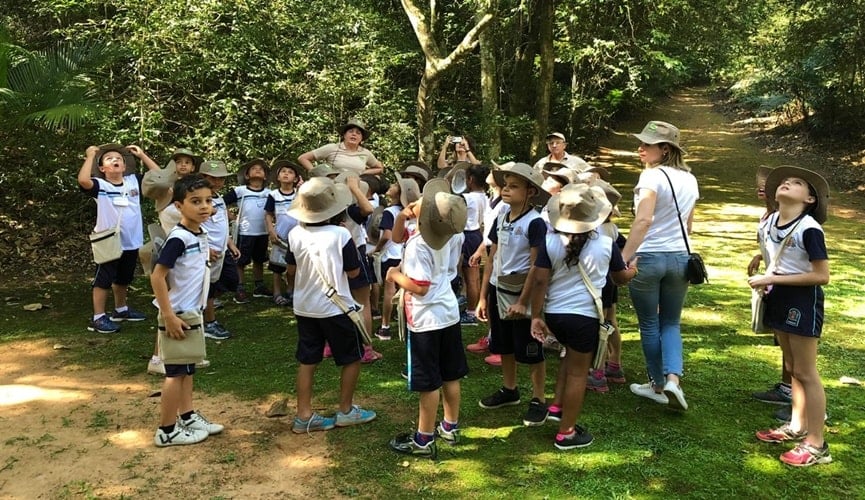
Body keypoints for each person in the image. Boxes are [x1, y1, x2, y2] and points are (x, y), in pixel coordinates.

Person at [529, 183, 636, 450]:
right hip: (584, 317)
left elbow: (540, 281)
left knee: (568, 359)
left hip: (555, 314)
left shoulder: (550, 241)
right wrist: (634, 270)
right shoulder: (605, 244)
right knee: (579, 373)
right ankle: (566, 432)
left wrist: (536, 316)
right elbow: (620, 278)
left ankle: (556, 406)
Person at [752, 166, 831, 467]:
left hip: (801, 300)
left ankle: (817, 443)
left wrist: (772, 280)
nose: (786, 183)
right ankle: (797, 426)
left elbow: (821, 275)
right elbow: (775, 252)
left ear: (809, 198)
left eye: (797, 183)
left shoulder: (809, 228)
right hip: (778, 297)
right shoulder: (770, 221)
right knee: (792, 367)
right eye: (784, 181)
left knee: (807, 372)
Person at [285, 177, 377, 433]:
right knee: (351, 357)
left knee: (307, 360)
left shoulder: (294, 233)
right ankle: (345, 410)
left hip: (304, 307)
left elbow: (290, 269)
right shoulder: (340, 234)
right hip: (336, 308)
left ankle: (303, 415)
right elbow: (353, 272)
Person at [387, 179, 469, 458]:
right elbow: (398, 237)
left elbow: (419, 287)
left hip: (425, 318)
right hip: (447, 311)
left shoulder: (420, 245)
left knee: (429, 381)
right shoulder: (446, 234)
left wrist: (394, 276)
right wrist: (403, 215)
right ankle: (450, 426)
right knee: (450, 374)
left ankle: (423, 439)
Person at [620, 121, 697, 411]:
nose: (640, 148)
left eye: (647, 144)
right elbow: (689, 224)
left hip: (648, 257)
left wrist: (624, 256)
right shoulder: (690, 179)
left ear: (665, 149)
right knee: (671, 322)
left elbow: (643, 220)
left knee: (650, 323)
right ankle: (674, 380)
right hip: (680, 257)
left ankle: (656, 385)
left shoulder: (651, 177)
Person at [151, 174, 224, 447]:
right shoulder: (178, 238)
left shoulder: (199, 233)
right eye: (195, 201)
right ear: (179, 206)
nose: (204, 206)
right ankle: (167, 430)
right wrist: (169, 315)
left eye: (208, 200)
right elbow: (158, 277)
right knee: (175, 373)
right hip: (178, 314)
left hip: (191, 311)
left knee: (188, 368)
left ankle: (188, 415)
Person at [475, 162, 550, 426]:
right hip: (498, 290)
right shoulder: (501, 217)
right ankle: (510, 389)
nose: (506, 190)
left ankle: (539, 399)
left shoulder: (535, 223)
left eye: (514, 186)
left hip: (520, 294)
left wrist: (523, 302)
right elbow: (492, 257)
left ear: (530, 192)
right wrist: (484, 296)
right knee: (503, 344)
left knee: (531, 347)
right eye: (505, 185)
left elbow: (535, 266)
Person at [78, 143, 159, 333]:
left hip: (132, 240)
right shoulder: (101, 185)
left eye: (119, 159)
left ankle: (120, 309)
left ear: (124, 166)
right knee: (103, 278)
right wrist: (90, 155)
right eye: (109, 159)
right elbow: (83, 181)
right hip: (109, 241)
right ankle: (98, 317)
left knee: (124, 277)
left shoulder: (133, 182)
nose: (114, 160)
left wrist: (142, 155)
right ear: (102, 168)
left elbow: (159, 177)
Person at [748, 166, 794, 407]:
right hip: (772, 282)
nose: (761, 187)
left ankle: (790, 390)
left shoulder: (788, 217)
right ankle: (787, 386)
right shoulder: (766, 216)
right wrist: (759, 256)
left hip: (784, 284)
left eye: (767, 184)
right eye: (759, 183)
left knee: (789, 340)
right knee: (780, 336)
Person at [370, 175, 421, 341]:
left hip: (391, 255)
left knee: (389, 292)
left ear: (399, 192)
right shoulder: (413, 212)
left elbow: (386, 235)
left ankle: (385, 327)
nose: (391, 185)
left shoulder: (389, 212)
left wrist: (376, 249)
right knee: (405, 291)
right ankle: (405, 321)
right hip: (406, 255)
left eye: (395, 184)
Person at [466, 169, 507, 366]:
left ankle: (502, 346)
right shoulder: (493, 199)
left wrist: (480, 250)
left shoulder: (504, 205)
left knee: (499, 301)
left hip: (501, 254)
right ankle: (492, 337)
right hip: (491, 248)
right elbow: (490, 232)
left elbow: (495, 234)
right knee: (490, 299)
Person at [200, 160, 239, 341]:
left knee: (230, 281)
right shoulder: (198, 200)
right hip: (207, 252)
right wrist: (205, 249)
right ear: (202, 178)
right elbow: (192, 226)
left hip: (221, 251)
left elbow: (222, 225)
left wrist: (230, 244)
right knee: (208, 287)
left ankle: (204, 310)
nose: (217, 182)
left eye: (221, 179)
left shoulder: (219, 199)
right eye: (213, 178)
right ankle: (209, 322)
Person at [224, 159, 271, 303]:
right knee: (241, 261)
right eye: (253, 169)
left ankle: (259, 286)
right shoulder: (240, 191)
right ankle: (239, 288)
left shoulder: (270, 193)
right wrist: (231, 217)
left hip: (263, 232)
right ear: (247, 175)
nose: (257, 170)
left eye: (261, 169)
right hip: (245, 232)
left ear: (265, 176)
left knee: (259, 259)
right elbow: (220, 202)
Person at [265, 160, 302, 307]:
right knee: (277, 267)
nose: (286, 174)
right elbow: (268, 214)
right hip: (280, 235)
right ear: (278, 177)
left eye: (290, 172)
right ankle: (277, 293)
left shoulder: (299, 195)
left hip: (298, 236)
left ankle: (291, 290)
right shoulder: (273, 195)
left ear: (296, 178)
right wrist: (271, 230)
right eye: (283, 172)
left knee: (294, 266)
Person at [297, 119, 384, 176]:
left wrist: (363, 173)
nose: (354, 134)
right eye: (351, 131)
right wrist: (318, 173)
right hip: (332, 188)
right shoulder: (332, 148)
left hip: (355, 190)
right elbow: (303, 158)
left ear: (361, 139)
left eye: (358, 133)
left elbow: (379, 168)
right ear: (344, 135)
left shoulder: (365, 153)